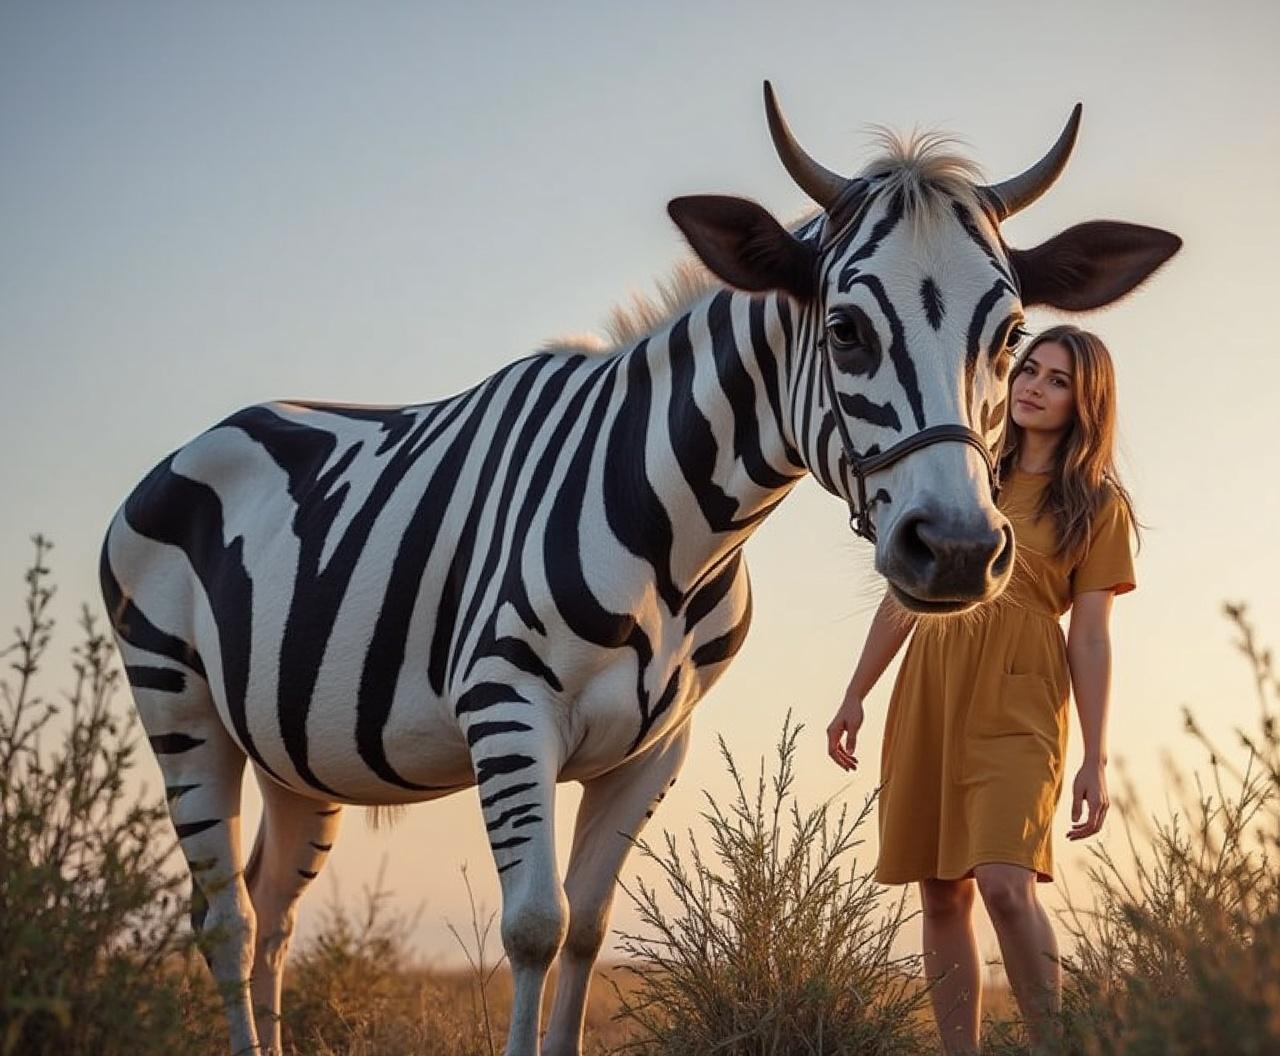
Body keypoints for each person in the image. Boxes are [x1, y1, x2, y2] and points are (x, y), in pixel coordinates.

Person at [826, 324, 1138, 1054]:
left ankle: (1052, 1044)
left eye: (1058, 379)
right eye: (1029, 369)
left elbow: (1090, 636)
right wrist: (854, 694)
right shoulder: (966, 477)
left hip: (1022, 695)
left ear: (1085, 401)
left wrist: (1095, 757)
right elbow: (903, 592)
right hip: (931, 682)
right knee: (940, 889)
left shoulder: (1096, 504)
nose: (1033, 385)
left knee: (1004, 881)